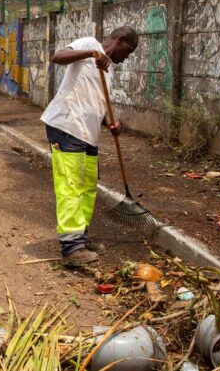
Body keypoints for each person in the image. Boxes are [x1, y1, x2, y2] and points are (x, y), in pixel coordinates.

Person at [40, 26, 139, 266]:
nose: (127, 58)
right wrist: (90, 54)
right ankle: (71, 247)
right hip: (66, 125)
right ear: (120, 40)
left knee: (87, 186)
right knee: (71, 185)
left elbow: (98, 101)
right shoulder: (88, 44)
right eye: (128, 51)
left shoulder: (108, 71)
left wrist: (111, 122)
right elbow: (57, 57)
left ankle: (81, 237)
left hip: (88, 133)